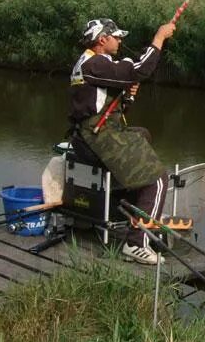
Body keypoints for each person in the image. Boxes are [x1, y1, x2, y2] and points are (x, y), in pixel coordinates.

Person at [68, 17, 175, 265]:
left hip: (92, 133)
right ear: (101, 40)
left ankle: (134, 203)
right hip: (96, 136)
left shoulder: (88, 63)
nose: (120, 40)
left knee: (142, 135)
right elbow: (139, 70)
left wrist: (128, 99)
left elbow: (106, 105)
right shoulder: (95, 64)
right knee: (158, 180)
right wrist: (159, 38)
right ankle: (136, 243)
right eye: (116, 37)